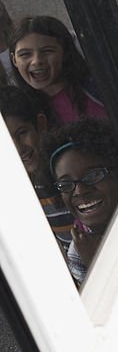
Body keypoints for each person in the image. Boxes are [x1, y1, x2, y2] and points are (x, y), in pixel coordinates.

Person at [43, 119, 118, 285]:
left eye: (93, 176)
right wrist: (92, 262)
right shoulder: (78, 252)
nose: (79, 191)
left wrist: (98, 261)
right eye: (66, 185)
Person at [0, 86, 74, 257]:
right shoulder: (24, 189)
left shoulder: (70, 168)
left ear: (40, 124)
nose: (18, 149)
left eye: (22, 133)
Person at [8, 16, 107, 124]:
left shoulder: (98, 85)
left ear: (65, 52)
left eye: (47, 51)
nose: (36, 61)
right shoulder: (17, 110)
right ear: (14, 60)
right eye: (25, 54)